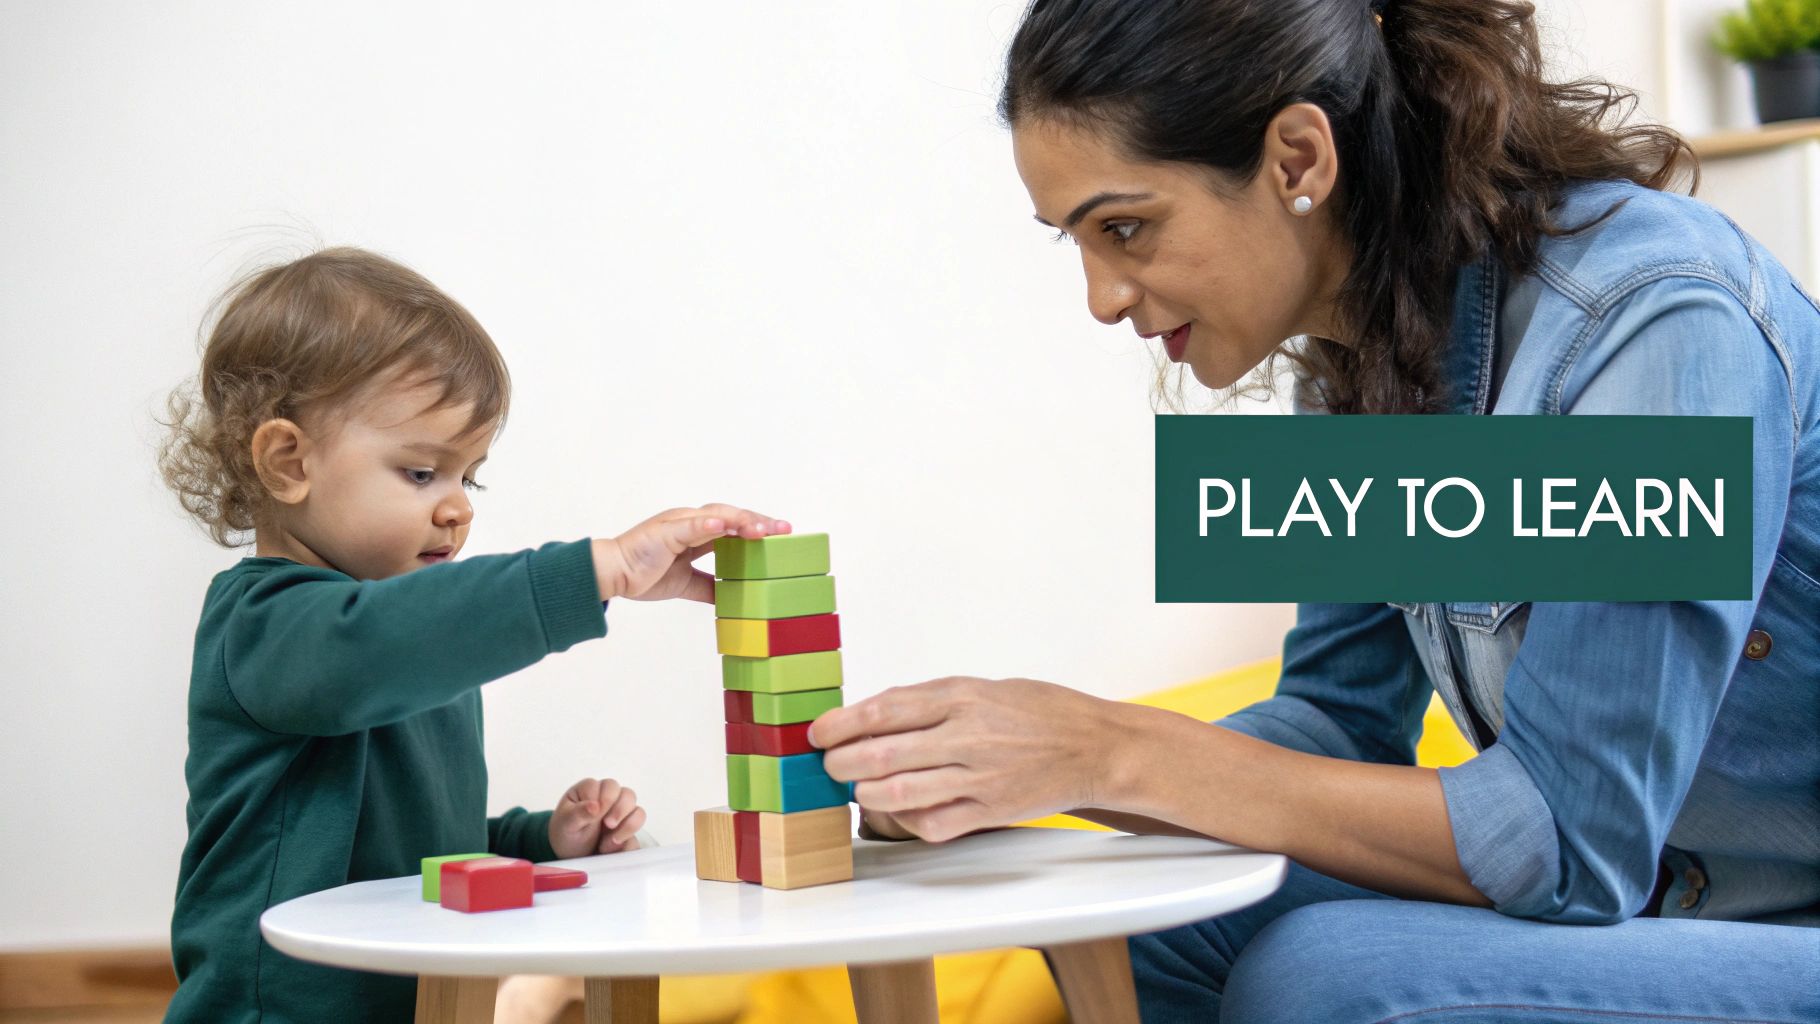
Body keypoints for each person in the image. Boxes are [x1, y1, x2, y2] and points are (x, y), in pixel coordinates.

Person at [810, 0, 1820, 1020]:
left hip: (1782, 923)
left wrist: (1111, 748)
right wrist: (1020, 776)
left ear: (1297, 159)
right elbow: (1337, 721)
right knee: (1143, 914)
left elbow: (1572, 835)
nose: (1100, 299)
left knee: (1325, 975)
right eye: (1074, 241)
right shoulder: (1355, 359)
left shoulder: (1651, 321)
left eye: (1124, 227)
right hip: (1660, 909)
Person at [156, 247, 788, 1022]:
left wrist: (543, 840)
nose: (458, 508)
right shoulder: (267, 628)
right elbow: (379, 644)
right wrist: (600, 570)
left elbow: (427, 847)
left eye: (470, 477)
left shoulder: (411, 641)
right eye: (423, 473)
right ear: (289, 462)